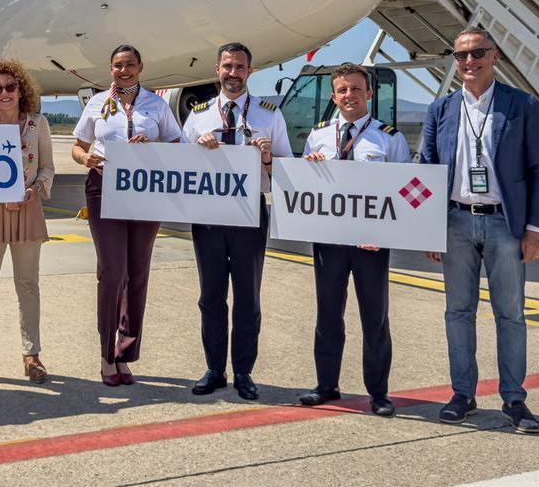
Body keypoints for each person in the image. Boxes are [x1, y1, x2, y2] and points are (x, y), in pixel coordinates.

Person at [421, 28, 539, 433]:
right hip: (456, 220)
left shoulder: (522, 105)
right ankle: (463, 394)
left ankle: (514, 399)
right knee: (458, 312)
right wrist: (428, 228)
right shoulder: (440, 109)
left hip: (503, 223)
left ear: (495, 56)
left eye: (477, 53)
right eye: (461, 56)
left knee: (510, 314)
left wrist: (534, 228)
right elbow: (428, 166)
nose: (469, 62)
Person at [298, 63, 410, 417]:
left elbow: (403, 192)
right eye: (343, 90)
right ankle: (326, 385)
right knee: (328, 314)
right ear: (334, 96)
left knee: (374, 318)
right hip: (329, 242)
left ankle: (378, 392)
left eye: (356, 89)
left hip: (370, 243)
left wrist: (386, 233)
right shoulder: (318, 136)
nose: (350, 96)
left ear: (369, 94)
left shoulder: (389, 138)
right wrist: (311, 165)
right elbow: (305, 187)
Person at [182, 42, 291, 401]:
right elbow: (178, 167)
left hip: (249, 215)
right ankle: (215, 368)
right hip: (209, 216)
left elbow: (288, 173)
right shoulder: (198, 115)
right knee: (211, 296)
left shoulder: (269, 115)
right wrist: (196, 148)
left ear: (250, 71)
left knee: (247, 297)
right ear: (217, 70)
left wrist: (267, 158)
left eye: (240, 67)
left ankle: (244, 371)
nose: (233, 73)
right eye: (227, 66)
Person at [72, 45, 183, 386]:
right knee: (112, 271)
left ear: (141, 67)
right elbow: (78, 146)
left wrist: (152, 149)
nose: (124, 70)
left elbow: (178, 145)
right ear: (111, 70)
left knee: (137, 273)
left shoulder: (156, 105)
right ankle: (107, 354)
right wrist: (85, 159)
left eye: (130, 65)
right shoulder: (97, 103)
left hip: (145, 190)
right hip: (104, 189)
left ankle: (126, 353)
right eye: (118, 65)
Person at [0, 58, 55, 386]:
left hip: (27, 210)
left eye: (10, 87)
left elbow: (47, 167)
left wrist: (34, 190)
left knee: (28, 286)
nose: (5, 93)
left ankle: (31, 355)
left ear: (22, 90)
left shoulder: (38, 124)